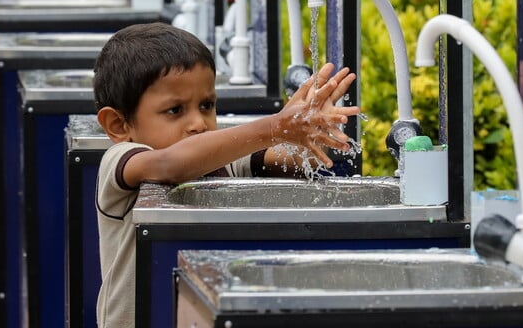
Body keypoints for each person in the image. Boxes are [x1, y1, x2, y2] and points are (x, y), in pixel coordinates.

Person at [93, 22, 360, 328]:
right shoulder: (122, 161)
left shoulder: (225, 163)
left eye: (206, 105)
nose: (198, 123)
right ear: (118, 124)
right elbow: (171, 165)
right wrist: (274, 127)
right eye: (175, 111)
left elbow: (291, 161)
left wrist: (308, 131)